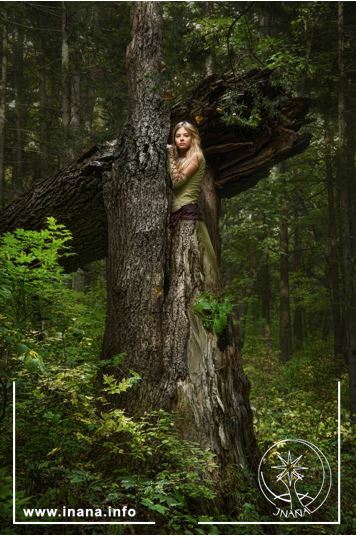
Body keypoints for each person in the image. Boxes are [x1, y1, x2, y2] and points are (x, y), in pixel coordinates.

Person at [166, 121, 219, 292]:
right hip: (176, 215)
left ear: (193, 137)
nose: (181, 139)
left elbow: (177, 182)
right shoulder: (180, 158)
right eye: (177, 135)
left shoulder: (196, 157)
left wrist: (170, 156)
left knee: (192, 267)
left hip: (186, 214)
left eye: (185, 135)